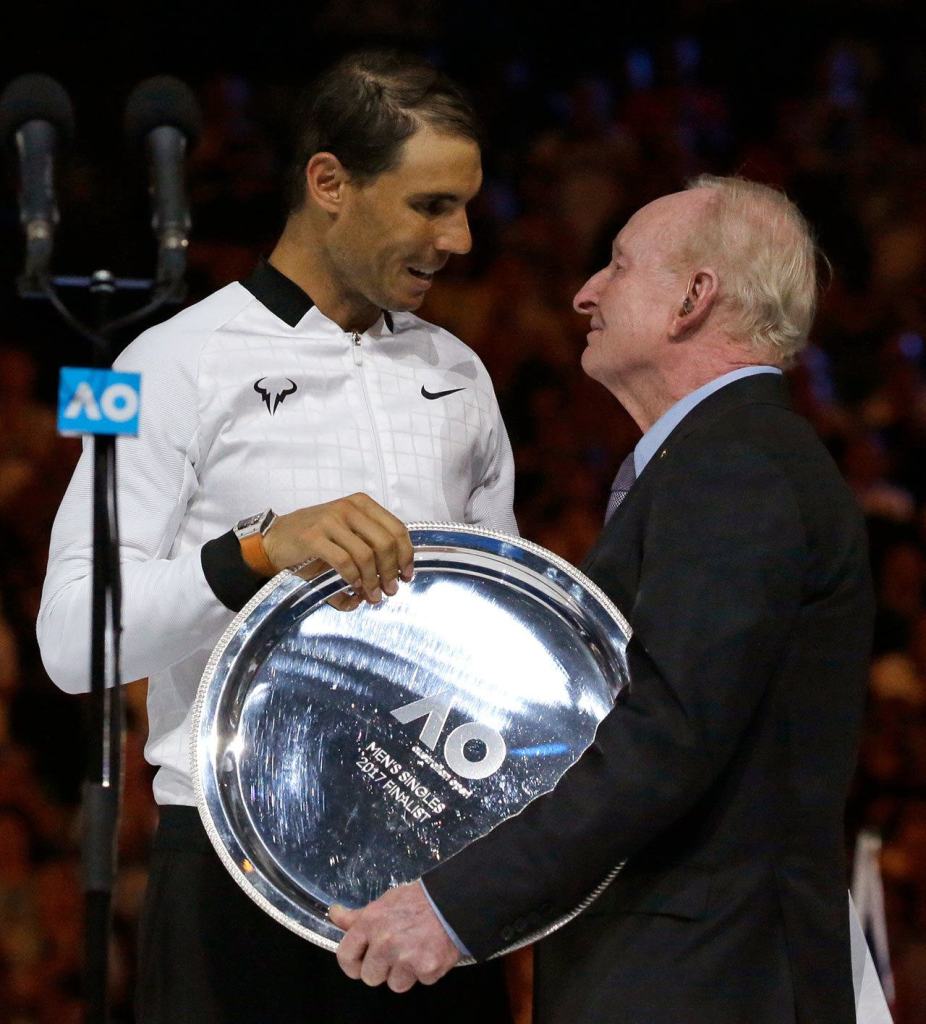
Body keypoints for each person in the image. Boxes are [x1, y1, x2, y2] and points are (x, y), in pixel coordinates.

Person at [37, 50, 516, 1024]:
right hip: (230, 874)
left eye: (463, 206)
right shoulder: (168, 362)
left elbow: (499, 632)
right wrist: (253, 553)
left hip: (427, 881)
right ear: (329, 183)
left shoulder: (459, 374)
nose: (459, 238)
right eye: (429, 204)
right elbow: (70, 640)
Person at [330, 176, 880, 1023]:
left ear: (694, 299)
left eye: (619, 266)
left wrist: (454, 904)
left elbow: (666, 735)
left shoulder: (737, 469)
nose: (585, 291)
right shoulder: (722, 461)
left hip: (709, 979)